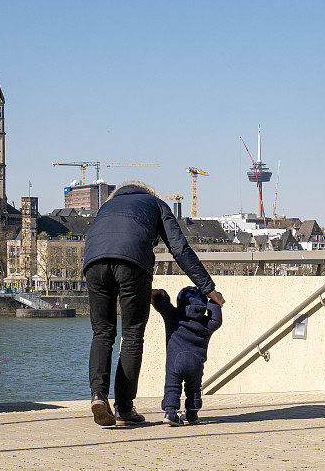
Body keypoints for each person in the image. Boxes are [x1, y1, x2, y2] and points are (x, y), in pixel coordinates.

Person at [83, 182, 225, 427]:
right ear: (150, 193)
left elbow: (103, 242)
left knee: (102, 332)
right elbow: (179, 248)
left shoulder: (106, 207)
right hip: (133, 264)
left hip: (93, 263)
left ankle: (98, 396)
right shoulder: (157, 204)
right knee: (132, 336)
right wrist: (208, 287)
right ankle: (124, 408)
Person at [151, 286, 222, 426]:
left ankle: (170, 413)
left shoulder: (173, 316)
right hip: (196, 363)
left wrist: (161, 293)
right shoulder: (207, 323)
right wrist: (215, 300)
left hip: (175, 361)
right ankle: (192, 413)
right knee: (194, 387)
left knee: (172, 386)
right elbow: (217, 320)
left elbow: (160, 303)